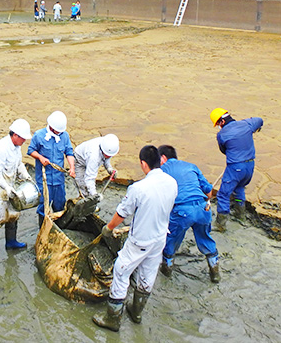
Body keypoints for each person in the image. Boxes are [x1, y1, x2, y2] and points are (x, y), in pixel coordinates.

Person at [92, 145, 177, 332]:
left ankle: (112, 319)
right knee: (147, 275)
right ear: (160, 161)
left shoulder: (138, 188)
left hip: (140, 241)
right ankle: (136, 313)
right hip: (160, 238)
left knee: (121, 272)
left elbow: (122, 213)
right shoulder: (172, 182)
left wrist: (108, 228)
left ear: (143, 163)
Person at [158, 145, 220, 283]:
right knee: (206, 239)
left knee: (171, 240)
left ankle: (166, 272)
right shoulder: (191, 166)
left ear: (163, 158)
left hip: (182, 211)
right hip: (204, 209)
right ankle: (215, 272)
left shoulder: (161, 171)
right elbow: (208, 191)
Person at [0, 118, 34, 259]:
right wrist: (6, 187)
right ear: (15, 135)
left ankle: (11, 242)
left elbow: (18, 164)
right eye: (23, 138)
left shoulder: (17, 148)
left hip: (10, 185)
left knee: (13, 213)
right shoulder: (0, 149)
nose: (24, 141)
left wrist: (25, 175)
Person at [210, 108, 263, 232]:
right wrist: (256, 129)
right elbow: (259, 120)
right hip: (250, 166)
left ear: (222, 122)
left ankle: (221, 225)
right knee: (239, 189)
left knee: (223, 194)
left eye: (218, 124)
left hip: (235, 167)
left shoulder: (222, 135)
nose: (218, 127)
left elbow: (224, 150)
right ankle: (241, 217)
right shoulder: (247, 124)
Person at [27, 111, 75, 227]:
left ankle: (59, 229)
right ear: (52, 127)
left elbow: (69, 152)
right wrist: (40, 157)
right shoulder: (39, 135)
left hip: (58, 180)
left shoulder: (64, 136)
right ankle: (43, 230)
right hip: (44, 181)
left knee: (60, 205)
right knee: (43, 206)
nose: (59, 132)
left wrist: (72, 168)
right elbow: (31, 150)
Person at [73, 134, 119, 199]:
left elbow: (106, 158)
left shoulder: (108, 145)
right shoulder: (94, 156)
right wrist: (95, 196)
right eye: (106, 154)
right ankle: (85, 203)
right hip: (79, 159)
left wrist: (109, 168)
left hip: (88, 156)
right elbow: (89, 178)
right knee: (82, 186)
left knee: (89, 189)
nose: (107, 156)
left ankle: (90, 202)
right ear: (102, 149)